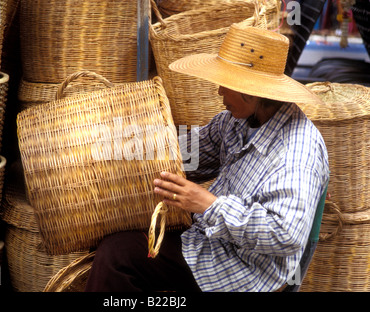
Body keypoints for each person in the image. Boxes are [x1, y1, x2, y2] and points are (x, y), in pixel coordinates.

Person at [84, 23, 329, 292]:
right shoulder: (237, 121)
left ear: (253, 90)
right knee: (118, 241)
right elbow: (188, 153)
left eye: (226, 84)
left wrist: (207, 204)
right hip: (209, 241)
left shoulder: (296, 151)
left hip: (246, 272)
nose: (219, 92)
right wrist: (125, 147)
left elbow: (286, 235)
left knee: (118, 257)